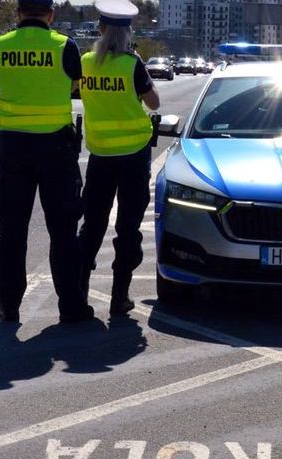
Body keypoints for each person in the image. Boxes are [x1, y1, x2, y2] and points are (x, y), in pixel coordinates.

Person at [0, 0, 93, 324]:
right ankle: (71, 306)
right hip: (55, 148)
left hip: (12, 147)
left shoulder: (0, 46)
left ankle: (8, 306)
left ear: (18, 13)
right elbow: (75, 85)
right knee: (63, 230)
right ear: (51, 14)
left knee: (12, 229)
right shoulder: (65, 46)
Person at [77, 0, 161, 315]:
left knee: (92, 225)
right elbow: (154, 103)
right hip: (133, 157)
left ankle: (79, 294)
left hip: (100, 155)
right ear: (128, 32)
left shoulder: (86, 62)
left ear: (100, 29)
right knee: (127, 226)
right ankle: (119, 298)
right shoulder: (132, 64)